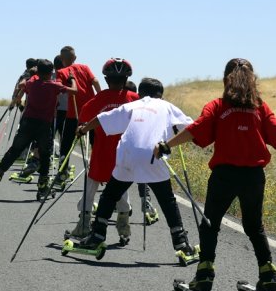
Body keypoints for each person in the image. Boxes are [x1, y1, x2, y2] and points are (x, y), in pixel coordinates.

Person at [154, 58, 276, 291]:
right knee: (254, 226)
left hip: (224, 175)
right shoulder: (260, 107)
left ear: (226, 79)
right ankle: (268, 278)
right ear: (252, 80)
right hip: (253, 176)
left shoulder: (217, 106)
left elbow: (195, 129)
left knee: (210, 223)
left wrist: (167, 145)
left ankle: (204, 276)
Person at [74, 78, 199, 262]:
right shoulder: (167, 106)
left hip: (127, 155)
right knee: (167, 201)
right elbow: (192, 127)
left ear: (140, 93)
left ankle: (96, 236)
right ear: (160, 94)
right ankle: (181, 244)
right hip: (154, 154)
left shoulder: (133, 105)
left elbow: (102, 119)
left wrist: (84, 129)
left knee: (109, 195)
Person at [0, 59, 77, 200]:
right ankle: (42, 185)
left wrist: (29, 77)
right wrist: (72, 78)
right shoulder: (55, 86)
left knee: (14, 150)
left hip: (28, 122)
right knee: (44, 154)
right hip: (44, 125)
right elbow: (75, 91)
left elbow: (22, 84)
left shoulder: (31, 83)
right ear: (51, 73)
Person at [69, 58, 140, 241]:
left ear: (107, 79)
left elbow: (84, 120)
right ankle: (123, 227)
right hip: (126, 155)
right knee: (121, 188)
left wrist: (81, 130)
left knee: (90, 187)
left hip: (101, 153)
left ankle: (83, 225)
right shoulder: (135, 99)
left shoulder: (98, 99)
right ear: (126, 79)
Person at [54, 45, 101, 187]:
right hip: (92, 111)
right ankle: (99, 171)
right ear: (75, 58)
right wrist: (99, 98)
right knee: (96, 142)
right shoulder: (85, 68)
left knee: (66, 143)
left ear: (62, 59)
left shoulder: (62, 71)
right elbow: (96, 81)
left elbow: (58, 89)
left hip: (74, 114)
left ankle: (62, 173)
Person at [125, 80, 159, 226]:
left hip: (125, 150)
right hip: (144, 149)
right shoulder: (147, 109)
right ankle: (145, 203)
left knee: (120, 179)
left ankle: (120, 205)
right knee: (142, 178)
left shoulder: (127, 107)